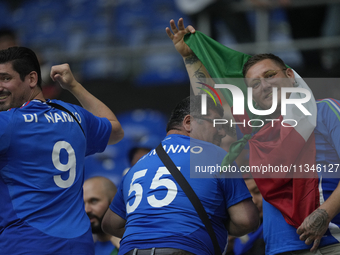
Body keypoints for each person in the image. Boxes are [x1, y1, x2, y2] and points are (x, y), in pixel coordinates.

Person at [166, 18, 340, 254]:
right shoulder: (256, 132)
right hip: (279, 248)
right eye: (254, 85)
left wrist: (324, 213)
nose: (264, 86)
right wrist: (190, 57)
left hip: (331, 240)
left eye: (270, 75)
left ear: (290, 75)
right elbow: (206, 105)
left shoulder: (327, 109)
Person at [0, 46, 124, 254]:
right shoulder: (75, 115)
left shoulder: (7, 123)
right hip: (79, 246)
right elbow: (116, 131)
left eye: (5, 78)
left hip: (25, 244)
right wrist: (74, 86)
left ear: (32, 79)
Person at [101, 95, 260, 255]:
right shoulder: (218, 155)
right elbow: (246, 220)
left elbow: (109, 224)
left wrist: (147, 237)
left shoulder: (137, 166)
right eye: (216, 123)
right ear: (189, 122)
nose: (222, 131)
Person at [83, 176, 120, 255]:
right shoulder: (84, 249)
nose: (86, 210)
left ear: (113, 203)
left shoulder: (134, 244)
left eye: (93, 201)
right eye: (83, 204)